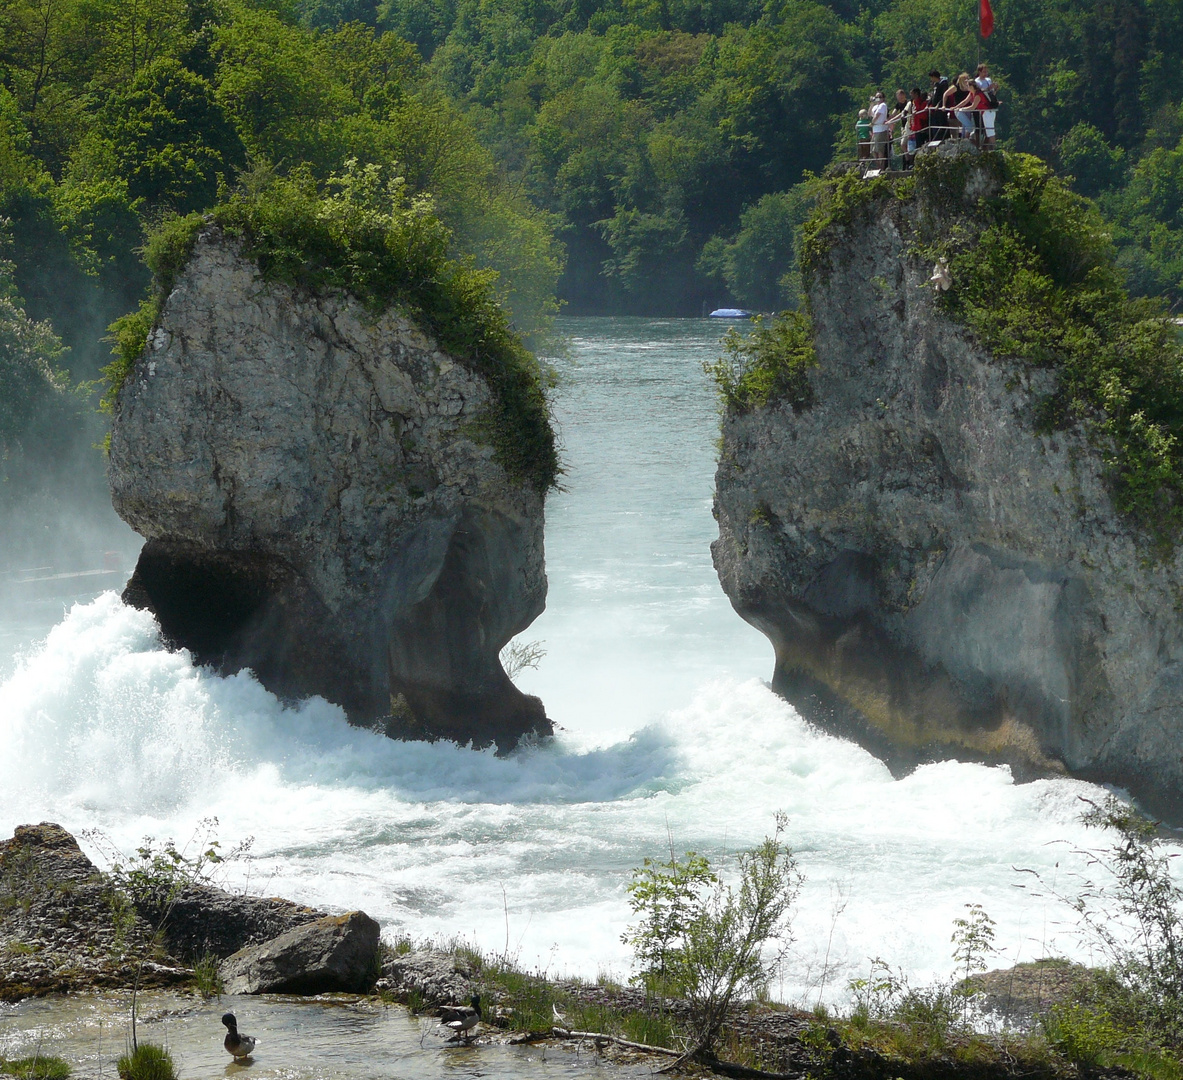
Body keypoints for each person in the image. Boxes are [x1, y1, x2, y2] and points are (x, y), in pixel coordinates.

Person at [957, 78, 990, 146]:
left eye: (968, 85)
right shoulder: (972, 93)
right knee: (978, 129)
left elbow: (973, 106)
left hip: (984, 113)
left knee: (984, 130)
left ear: (972, 86)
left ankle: (985, 147)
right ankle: (978, 145)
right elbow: (965, 101)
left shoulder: (978, 94)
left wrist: (962, 109)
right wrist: (956, 107)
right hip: (977, 113)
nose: (967, 87)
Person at [943, 73, 974, 138]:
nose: (967, 81)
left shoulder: (969, 88)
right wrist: (944, 105)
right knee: (969, 126)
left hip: (968, 109)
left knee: (965, 127)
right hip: (958, 109)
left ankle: (965, 139)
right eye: (965, 79)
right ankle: (965, 140)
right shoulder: (956, 87)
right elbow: (945, 94)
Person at [975, 62, 998, 148]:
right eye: (984, 72)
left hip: (990, 107)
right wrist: (988, 88)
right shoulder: (977, 82)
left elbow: (991, 94)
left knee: (989, 129)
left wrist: (994, 89)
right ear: (979, 72)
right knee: (981, 128)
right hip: (982, 107)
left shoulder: (988, 80)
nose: (986, 73)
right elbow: (980, 93)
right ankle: (981, 146)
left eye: (986, 72)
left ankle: (987, 147)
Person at [888, 88, 911, 163]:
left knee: (904, 143)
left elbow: (902, 114)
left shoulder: (908, 103)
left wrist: (891, 120)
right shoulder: (898, 104)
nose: (900, 99)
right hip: (903, 126)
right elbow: (894, 114)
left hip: (909, 125)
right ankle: (906, 160)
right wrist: (890, 118)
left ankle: (908, 160)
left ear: (904, 95)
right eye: (898, 97)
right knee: (904, 145)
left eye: (900, 97)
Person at [928, 69, 951, 140]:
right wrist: (929, 104)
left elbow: (943, 95)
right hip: (935, 108)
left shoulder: (943, 83)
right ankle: (939, 137)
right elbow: (934, 96)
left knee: (943, 122)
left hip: (941, 108)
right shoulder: (936, 84)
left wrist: (939, 104)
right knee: (937, 122)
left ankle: (945, 137)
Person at [907, 87, 929, 159]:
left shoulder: (922, 102)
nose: (911, 96)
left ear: (916, 94)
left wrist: (916, 114)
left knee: (921, 145)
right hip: (916, 127)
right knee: (917, 146)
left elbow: (924, 116)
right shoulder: (914, 102)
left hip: (921, 127)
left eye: (912, 94)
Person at [870, 91, 890, 167]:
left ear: (883, 98)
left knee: (880, 149)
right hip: (875, 131)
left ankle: (881, 167)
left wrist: (872, 123)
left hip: (881, 130)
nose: (878, 98)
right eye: (877, 97)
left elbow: (877, 115)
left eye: (880, 97)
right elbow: (870, 114)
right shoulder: (875, 107)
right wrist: (872, 103)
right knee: (873, 150)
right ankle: (878, 165)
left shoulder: (883, 105)